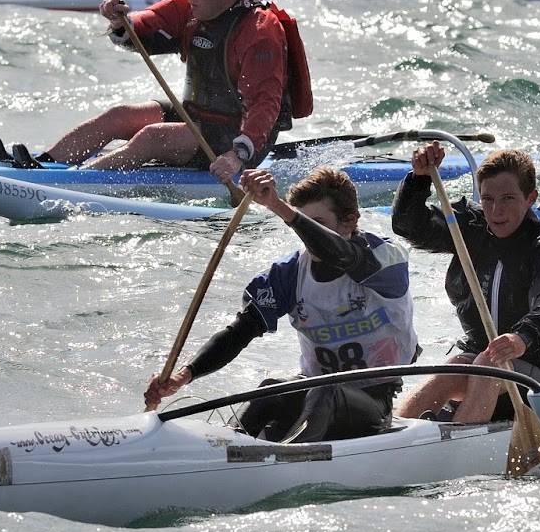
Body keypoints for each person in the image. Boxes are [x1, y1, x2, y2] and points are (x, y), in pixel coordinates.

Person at [144, 165, 418, 443]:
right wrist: (183, 376)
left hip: (372, 403)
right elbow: (240, 333)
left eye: (316, 224)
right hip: (313, 397)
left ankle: (291, 460)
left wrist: (277, 206)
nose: (306, 236)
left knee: (326, 390)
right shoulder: (288, 274)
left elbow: (340, 254)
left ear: (348, 222)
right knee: (271, 389)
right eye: (303, 223)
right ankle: (223, 447)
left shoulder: (385, 259)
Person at [0, 0, 303, 179]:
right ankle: (43, 166)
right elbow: (144, 23)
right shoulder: (193, 8)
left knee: (151, 136)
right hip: (197, 116)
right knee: (119, 116)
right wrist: (120, 19)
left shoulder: (261, 32)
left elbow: (265, 103)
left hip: (236, 137)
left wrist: (238, 156)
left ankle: (76, 181)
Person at [391, 142, 540, 423]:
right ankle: (393, 436)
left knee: (487, 363)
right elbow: (409, 226)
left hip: (538, 381)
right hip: (481, 365)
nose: (496, 211)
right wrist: (419, 179)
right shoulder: (469, 229)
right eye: (488, 199)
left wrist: (522, 338)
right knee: (455, 366)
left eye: (508, 199)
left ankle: (458, 446)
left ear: (531, 198)